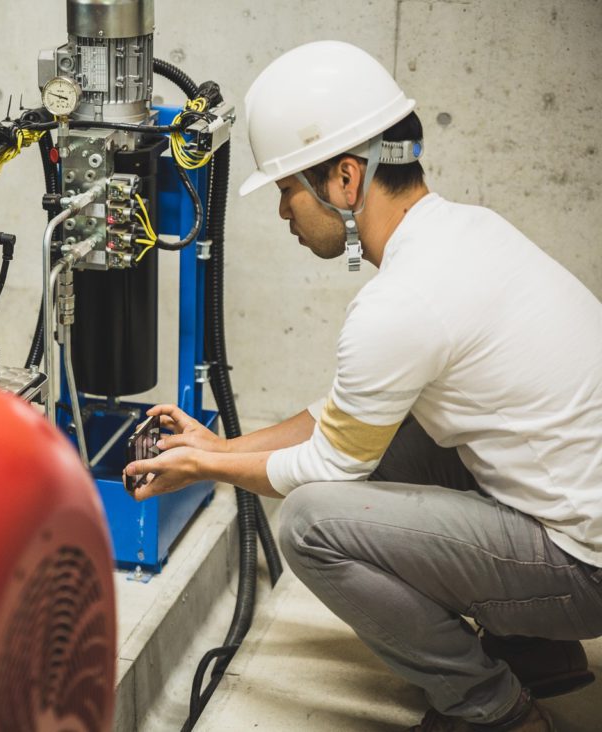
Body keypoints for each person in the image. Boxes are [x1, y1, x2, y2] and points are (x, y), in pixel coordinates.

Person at [124, 40, 602, 732]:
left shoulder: (402, 303)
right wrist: (222, 443)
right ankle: (535, 652)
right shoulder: (466, 234)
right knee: (395, 441)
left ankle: (494, 711)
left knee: (315, 523)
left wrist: (206, 466)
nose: (286, 211)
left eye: (290, 189)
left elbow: (327, 465)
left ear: (347, 179)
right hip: (578, 517)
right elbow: (342, 421)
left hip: (584, 569)